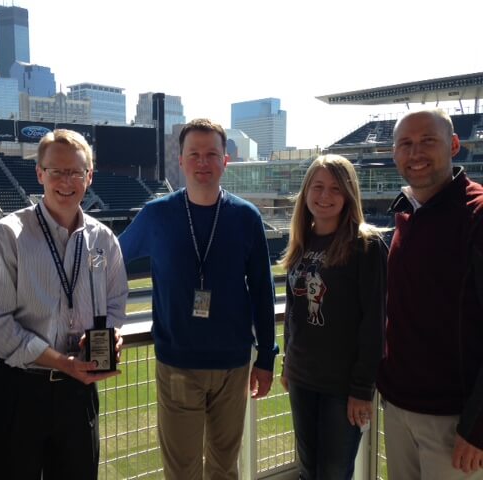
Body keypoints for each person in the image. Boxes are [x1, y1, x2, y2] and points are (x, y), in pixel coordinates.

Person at [119, 118, 278, 479]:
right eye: (194, 154)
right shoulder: (156, 214)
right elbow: (112, 260)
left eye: (211, 154)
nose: (203, 162)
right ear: (181, 160)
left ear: (226, 161)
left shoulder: (246, 217)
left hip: (233, 366)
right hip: (178, 365)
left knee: (225, 468)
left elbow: (262, 292)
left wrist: (266, 357)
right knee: (182, 471)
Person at [0, 129, 128, 480]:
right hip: (18, 390)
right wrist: (63, 362)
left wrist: (111, 335)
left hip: (78, 394)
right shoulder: (6, 235)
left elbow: (117, 303)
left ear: (89, 177)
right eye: (56, 171)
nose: (65, 181)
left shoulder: (104, 239)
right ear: (40, 174)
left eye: (75, 171)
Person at [377, 108, 483, 479]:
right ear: (394, 154)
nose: (415, 153)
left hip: (454, 423)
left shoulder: (478, 214)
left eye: (428, 141)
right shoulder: (407, 214)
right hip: (400, 406)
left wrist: (477, 428)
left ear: (454, 145)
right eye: (405, 144)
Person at [279, 154, 387, 480]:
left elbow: (374, 322)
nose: (325, 196)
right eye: (318, 186)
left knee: (334, 474)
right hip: (302, 377)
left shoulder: (365, 245)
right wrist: (287, 362)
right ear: (306, 191)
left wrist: (361, 388)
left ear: (349, 194)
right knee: (308, 470)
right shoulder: (302, 240)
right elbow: (293, 312)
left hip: (342, 387)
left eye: (335, 189)